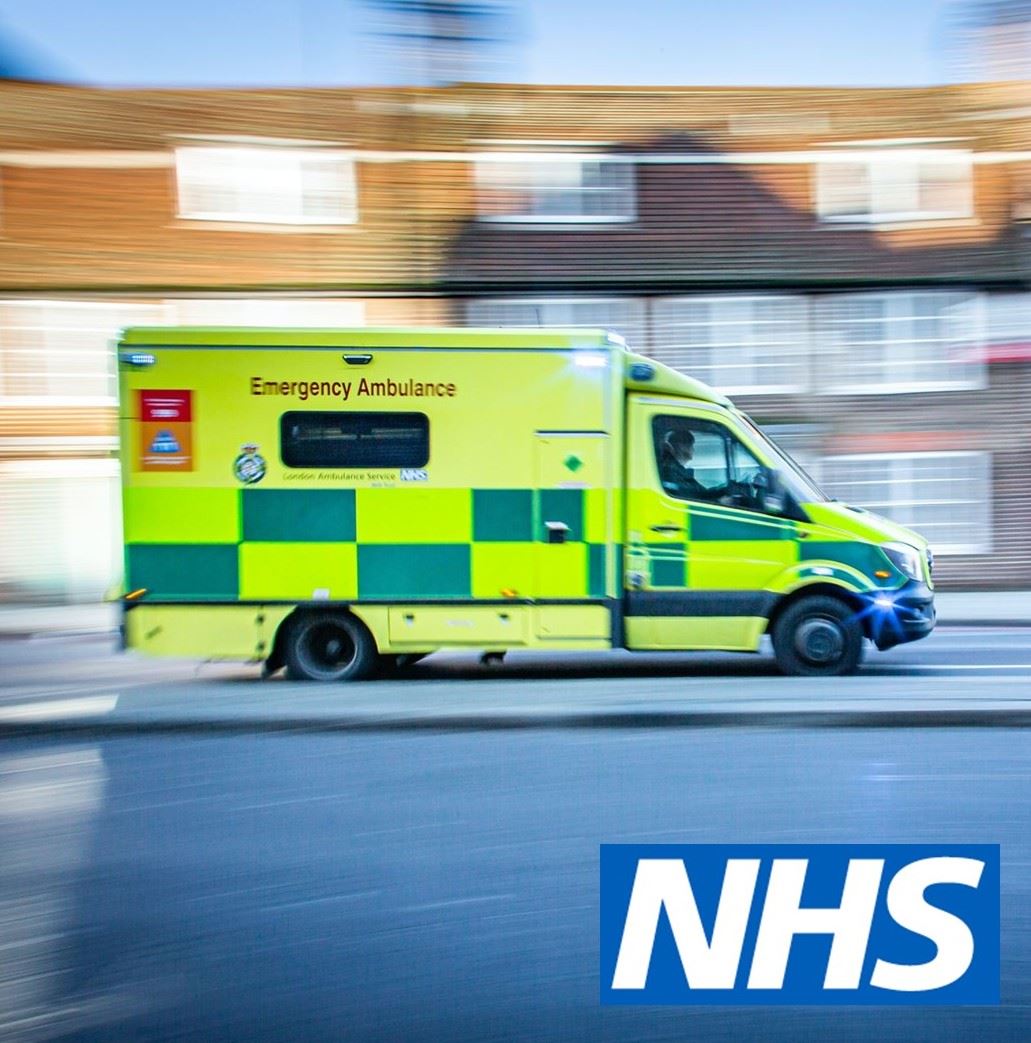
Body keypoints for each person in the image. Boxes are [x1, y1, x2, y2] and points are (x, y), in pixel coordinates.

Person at [658, 426, 715, 501]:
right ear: (682, 447)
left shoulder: (680, 471)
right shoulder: (670, 471)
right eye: (691, 445)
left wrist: (720, 492)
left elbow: (701, 492)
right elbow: (693, 494)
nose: (693, 449)